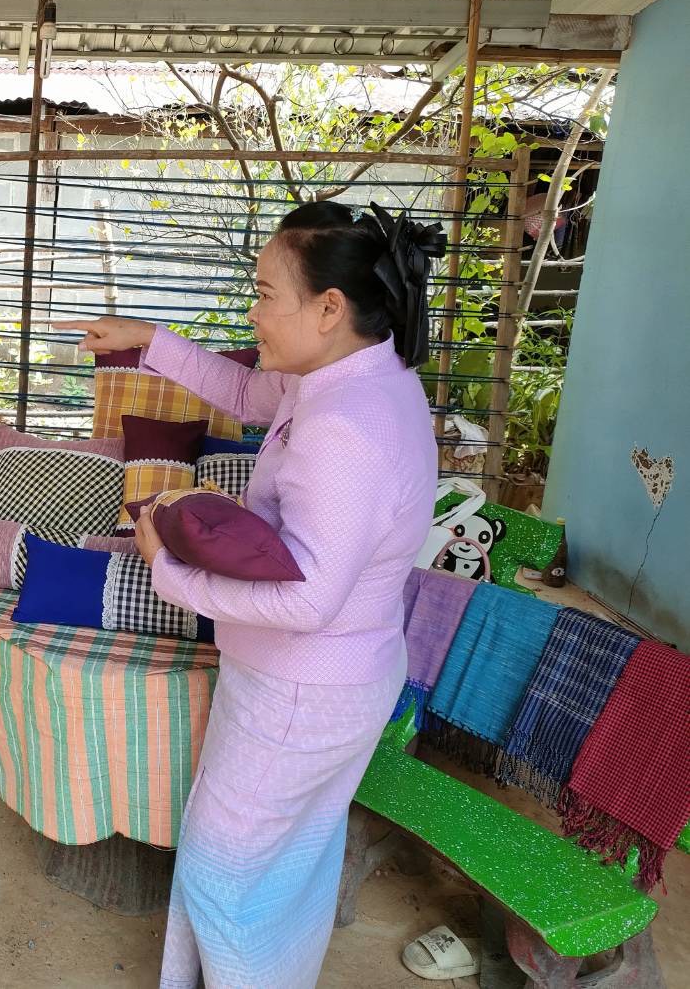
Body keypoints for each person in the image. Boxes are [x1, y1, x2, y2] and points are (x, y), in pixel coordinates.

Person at [63, 201, 444, 989]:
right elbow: (246, 395)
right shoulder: (354, 378)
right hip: (318, 683)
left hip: (302, 692)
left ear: (328, 308)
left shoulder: (347, 425)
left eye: (267, 293)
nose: (253, 311)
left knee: (222, 883)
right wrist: (147, 341)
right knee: (279, 877)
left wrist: (167, 568)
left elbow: (308, 601)